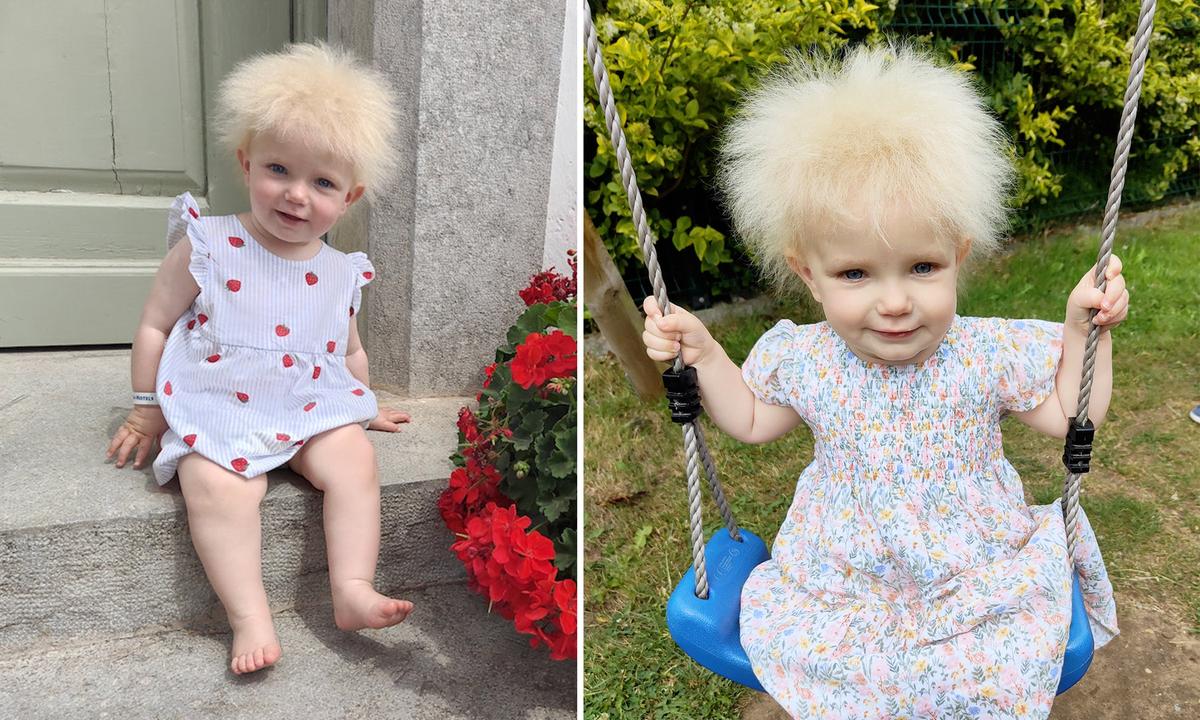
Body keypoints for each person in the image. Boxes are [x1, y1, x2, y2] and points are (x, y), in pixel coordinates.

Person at [642, 44, 1128, 719]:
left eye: (922, 267)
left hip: (972, 571)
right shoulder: (806, 360)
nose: (894, 301)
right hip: (843, 577)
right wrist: (704, 357)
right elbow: (752, 420)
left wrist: (1083, 334)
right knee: (828, 656)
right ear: (809, 276)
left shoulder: (983, 353)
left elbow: (1073, 418)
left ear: (958, 255)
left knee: (993, 662)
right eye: (856, 274)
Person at [106, 43, 414, 675]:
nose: (297, 195)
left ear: (349, 198)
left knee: (354, 461)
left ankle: (351, 587)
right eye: (279, 169)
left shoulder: (340, 271)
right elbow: (155, 324)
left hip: (305, 403)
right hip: (219, 402)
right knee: (215, 487)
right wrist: (145, 410)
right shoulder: (210, 244)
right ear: (246, 162)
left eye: (322, 182)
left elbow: (347, 348)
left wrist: (364, 404)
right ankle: (249, 614)